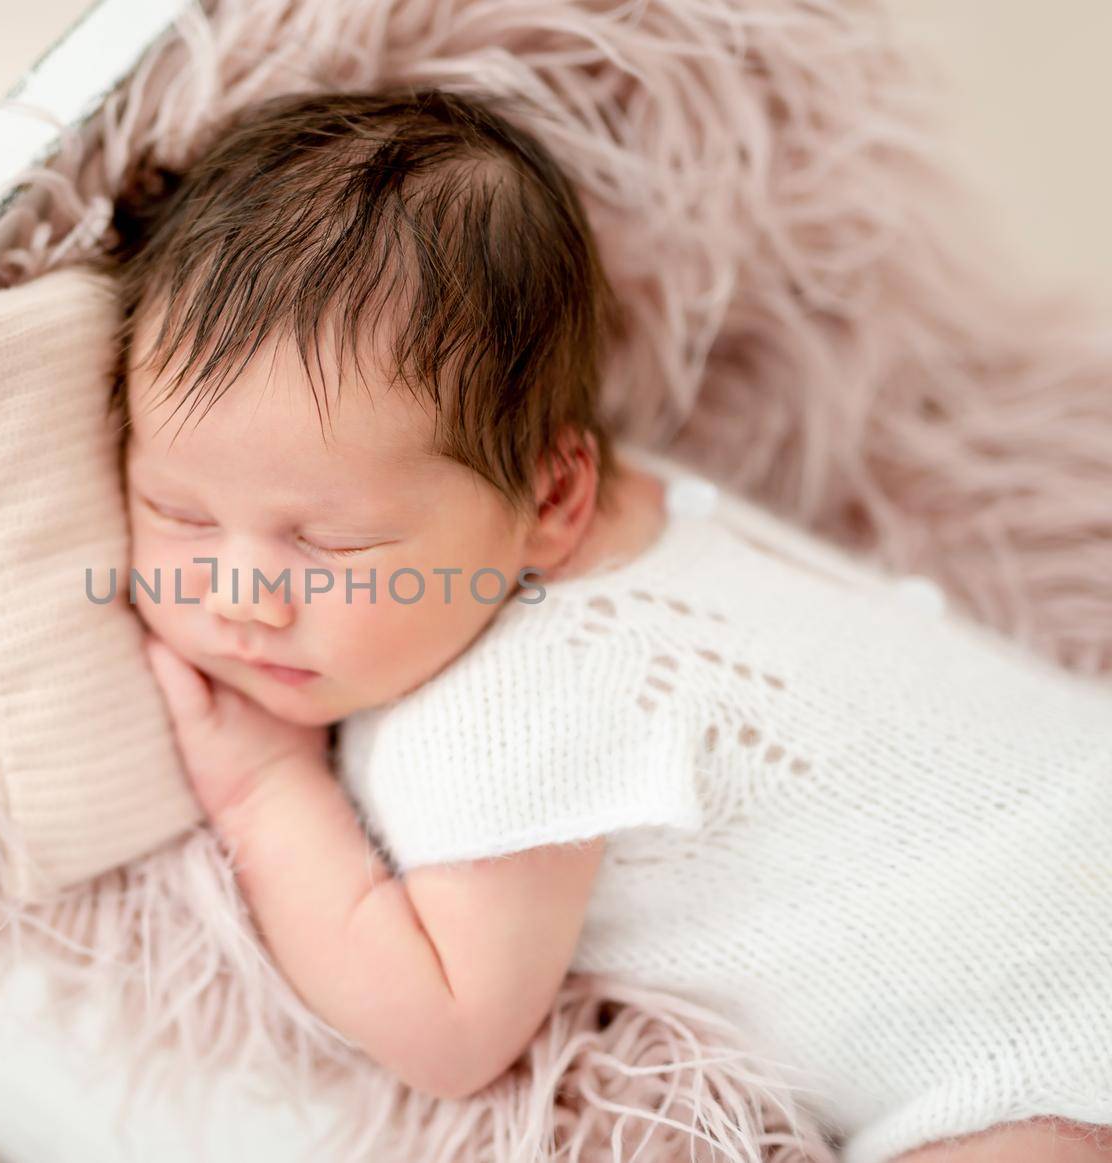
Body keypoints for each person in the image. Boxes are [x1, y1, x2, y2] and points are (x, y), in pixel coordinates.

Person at [91, 83, 1112, 1163]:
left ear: (552, 500)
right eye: (180, 513)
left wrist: (265, 789)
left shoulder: (507, 709)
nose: (242, 592)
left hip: (1032, 1032)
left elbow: (446, 1029)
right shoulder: (593, 504)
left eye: (332, 546)